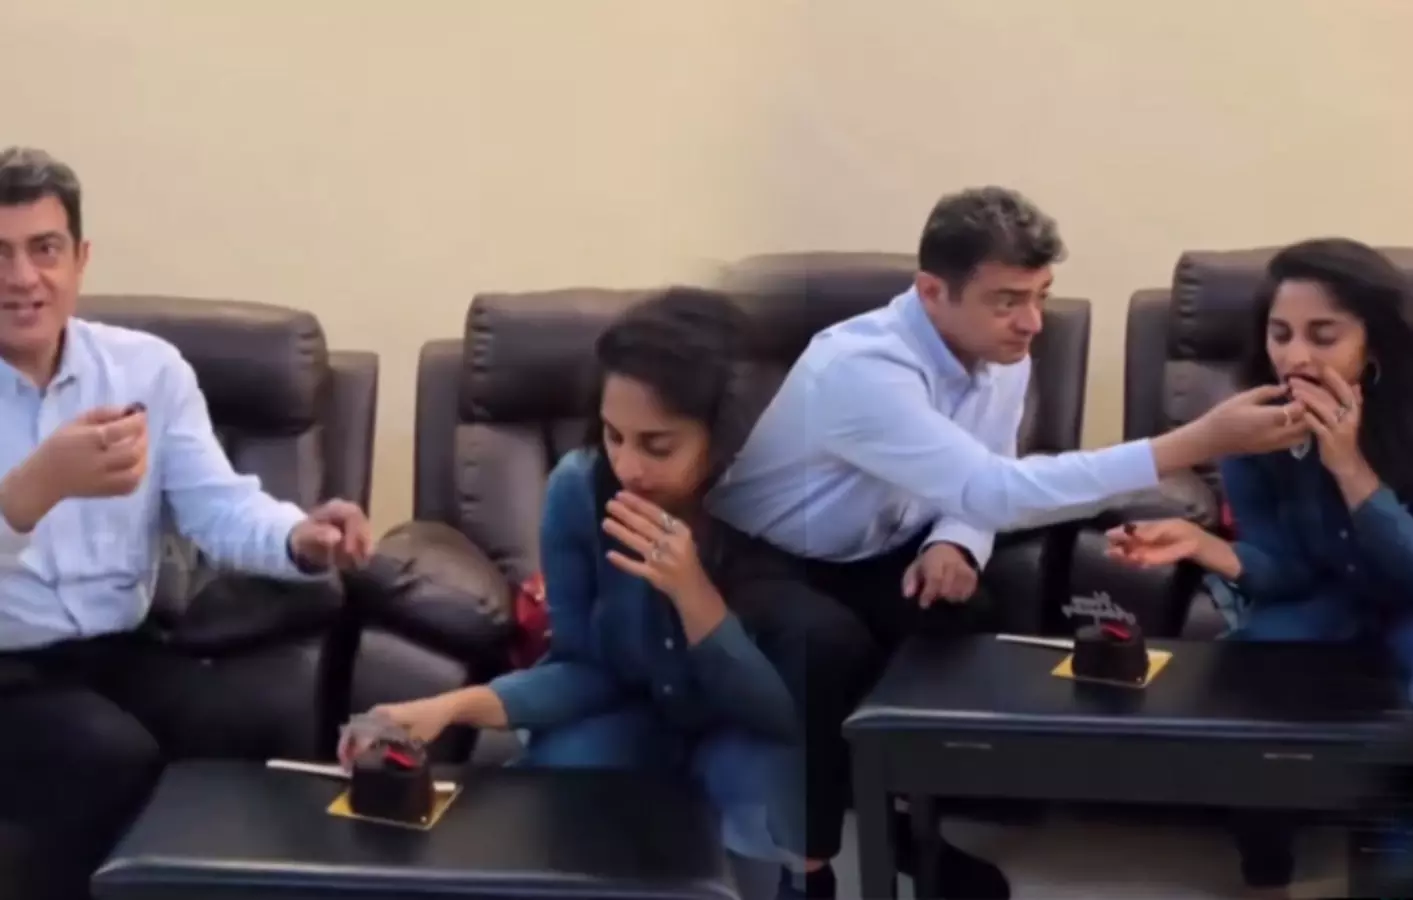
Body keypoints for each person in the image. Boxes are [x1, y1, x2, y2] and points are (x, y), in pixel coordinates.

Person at [707, 186, 1319, 898]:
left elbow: (981, 476)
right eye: (1006, 301)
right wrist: (1195, 441)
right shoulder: (858, 367)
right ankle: (805, 865)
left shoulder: (1005, 354)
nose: (1031, 322)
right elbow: (997, 488)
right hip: (762, 554)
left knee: (960, 617)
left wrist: (955, 542)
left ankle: (910, 829)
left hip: (874, 546)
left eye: (1040, 296)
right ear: (931, 291)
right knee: (823, 646)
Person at [346, 289, 819, 897]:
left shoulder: (783, 504)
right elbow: (583, 667)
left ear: (724, 434)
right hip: (636, 717)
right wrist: (450, 708)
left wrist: (693, 593)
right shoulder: (580, 489)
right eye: (614, 435)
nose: (628, 467)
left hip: (751, 730)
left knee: (757, 793)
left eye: (658, 445)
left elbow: (782, 712)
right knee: (560, 782)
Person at [0, 147, 375, 900]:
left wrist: (299, 537)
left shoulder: (147, 371)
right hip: (7, 671)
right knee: (106, 759)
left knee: (255, 730)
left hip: (121, 648)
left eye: (44, 249)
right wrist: (29, 494)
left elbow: (218, 504)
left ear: (80, 259)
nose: (22, 278)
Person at [1104, 237, 1413, 892]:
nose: (1295, 357)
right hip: (1336, 592)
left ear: (1374, 342)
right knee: (1255, 666)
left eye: (1324, 335)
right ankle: (1266, 861)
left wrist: (1349, 467)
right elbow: (1286, 568)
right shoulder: (1253, 424)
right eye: (1280, 333)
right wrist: (1205, 546)